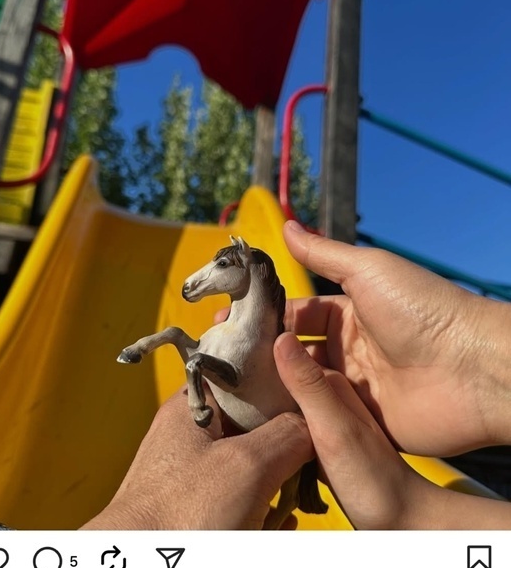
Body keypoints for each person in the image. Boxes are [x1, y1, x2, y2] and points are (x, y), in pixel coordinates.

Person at [83, 220, 511, 530]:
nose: (201, 281)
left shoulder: (257, 342)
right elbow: (192, 345)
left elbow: (216, 369)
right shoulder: (225, 332)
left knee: (199, 364)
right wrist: (476, 358)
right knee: (182, 340)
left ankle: (291, 502)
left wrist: (402, 514)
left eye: (222, 267)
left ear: (244, 267)